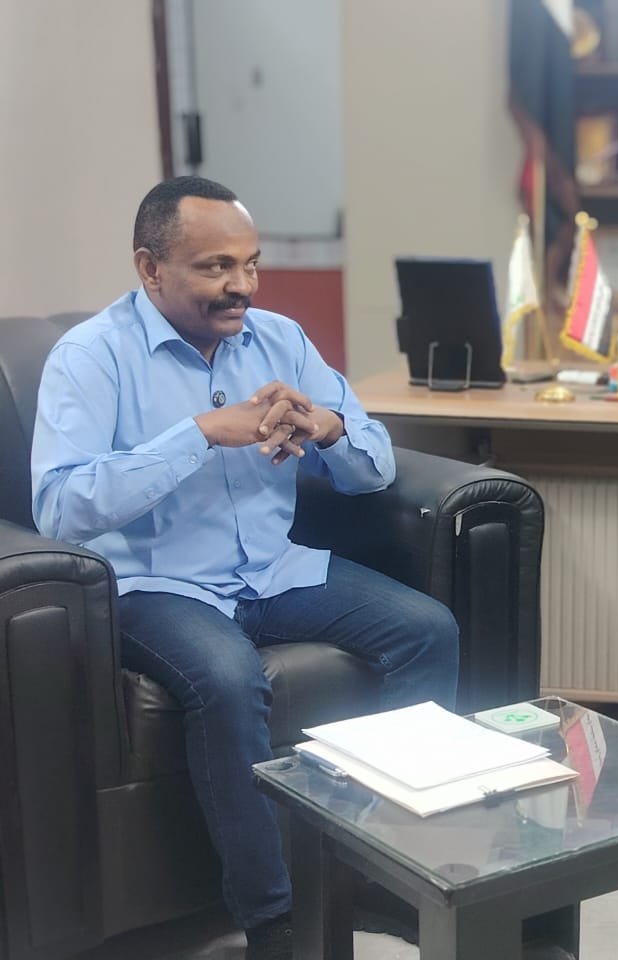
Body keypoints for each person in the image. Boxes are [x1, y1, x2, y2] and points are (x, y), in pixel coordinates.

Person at [30, 176, 459, 960]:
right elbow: (60, 508)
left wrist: (328, 427)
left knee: (428, 631)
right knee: (229, 680)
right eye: (216, 267)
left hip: (272, 569)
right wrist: (198, 433)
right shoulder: (90, 357)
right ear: (150, 267)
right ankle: (277, 923)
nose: (243, 285)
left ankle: (389, 875)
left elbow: (375, 467)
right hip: (156, 583)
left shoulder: (280, 338)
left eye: (251, 263)